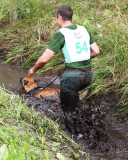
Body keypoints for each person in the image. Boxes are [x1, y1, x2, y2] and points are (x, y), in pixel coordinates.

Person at [28, 5, 100, 134]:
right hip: (89, 75)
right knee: (73, 99)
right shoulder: (83, 29)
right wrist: (78, 58)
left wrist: (33, 69)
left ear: (59, 17)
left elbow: (44, 59)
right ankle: (84, 118)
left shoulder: (61, 34)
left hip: (73, 78)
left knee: (66, 110)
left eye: (56, 18)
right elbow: (96, 51)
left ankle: (74, 137)